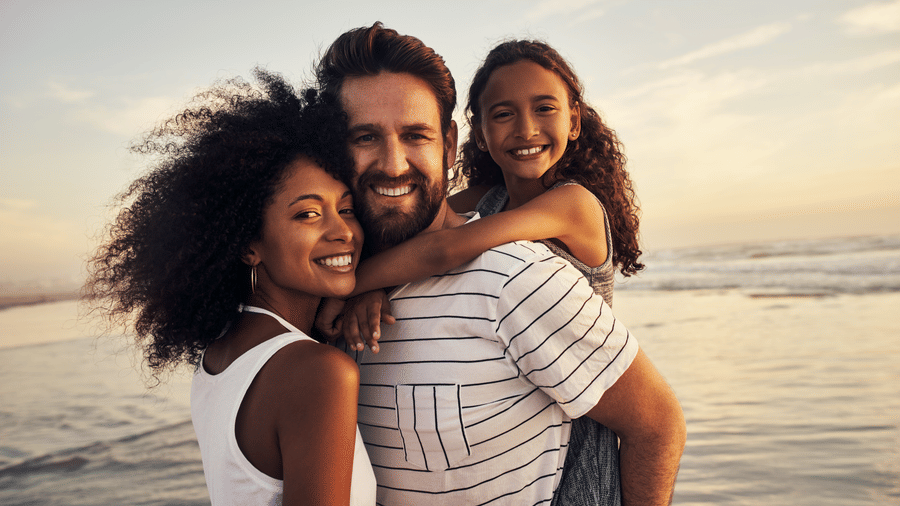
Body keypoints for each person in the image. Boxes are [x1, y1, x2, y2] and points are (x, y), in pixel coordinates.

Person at [314, 22, 685, 505]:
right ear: (480, 134)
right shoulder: (487, 201)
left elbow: (446, 248)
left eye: (544, 108)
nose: (526, 130)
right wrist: (370, 285)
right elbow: (431, 216)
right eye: (503, 114)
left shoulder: (567, 211)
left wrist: (344, 284)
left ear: (574, 121)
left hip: (585, 405)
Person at [83, 69, 376, 505]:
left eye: (346, 208)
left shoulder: (220, 358)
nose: (342, 232)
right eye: (308, 214)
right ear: (248, 245)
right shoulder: (318, 371)